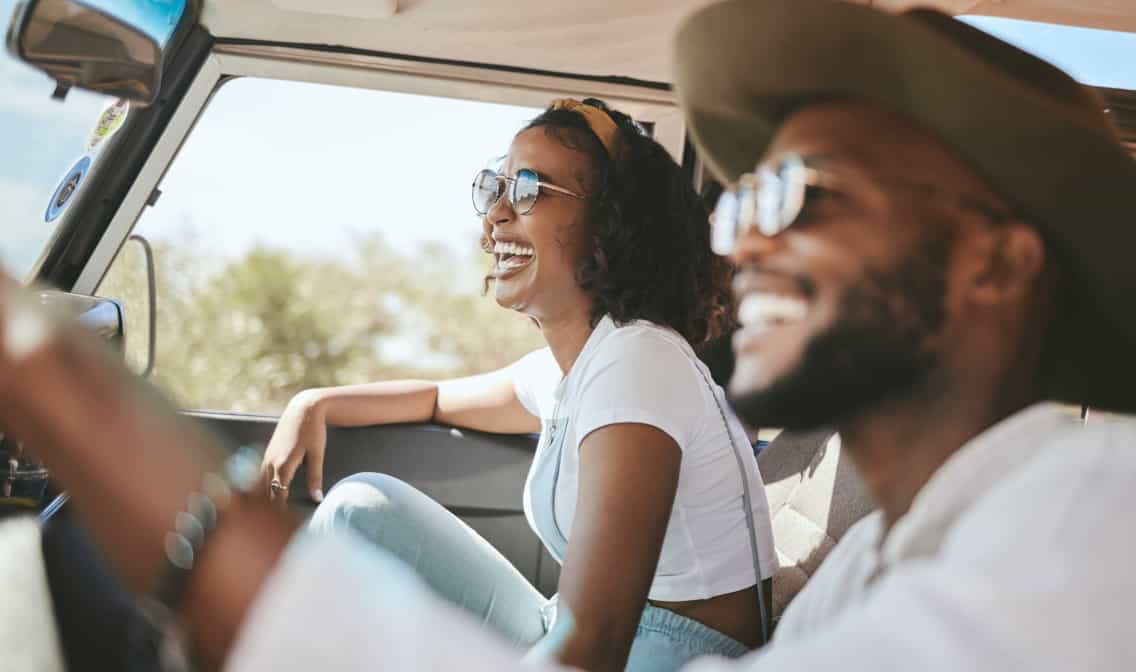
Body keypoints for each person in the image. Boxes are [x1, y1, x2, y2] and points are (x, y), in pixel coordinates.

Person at [4, 2, 1136, 671]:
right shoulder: (892, 558)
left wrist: (58, 381)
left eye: (809, 192)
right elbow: (451, 397)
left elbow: (591, 649)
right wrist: (314, 406)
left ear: (998, 258)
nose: (746, 247)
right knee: (346, 511)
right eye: (744, 202)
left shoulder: (1090, 512)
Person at [258, 97, 776, 671]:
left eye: (529, 189)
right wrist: (315, 403)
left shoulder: (639, 363)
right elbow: (434, 399)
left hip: (669, 655)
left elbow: (594, 643)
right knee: (360, 510)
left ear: (610, 225)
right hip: (583, 632)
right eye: (496, 187)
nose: (497, 213)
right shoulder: (571, 367)